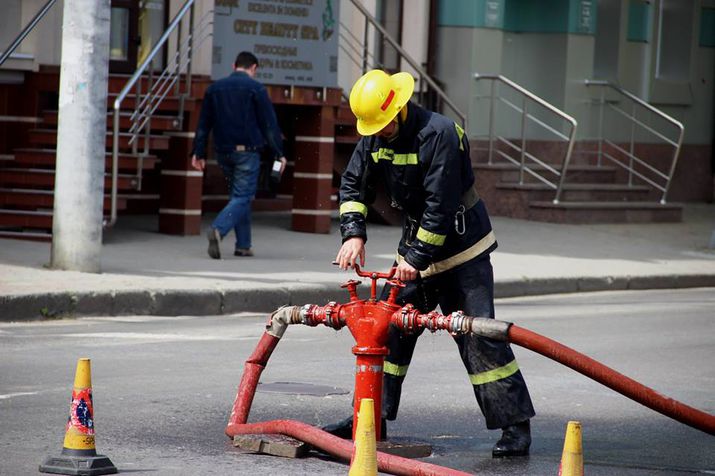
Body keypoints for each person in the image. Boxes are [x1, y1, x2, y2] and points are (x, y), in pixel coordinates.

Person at [330, 69, 536, 457]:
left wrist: (416, 259)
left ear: (400, 107)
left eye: (384, 124)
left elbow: (440, 206)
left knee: (480, 338)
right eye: (373, 127)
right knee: (386, 333)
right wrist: (353, 232)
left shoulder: (440, 134)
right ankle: (371, 416)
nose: (379, 132)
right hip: (415, 249)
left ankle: (515, 427)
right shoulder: (375, 134)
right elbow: (353, 185)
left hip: (462, 252)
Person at [191, 51, 286, 259]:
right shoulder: (256, 89)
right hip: (247, 152)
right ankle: (218, 229)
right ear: (254, 68)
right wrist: (279, 153)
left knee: (238, 196)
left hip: (223, 152)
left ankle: (243, 245)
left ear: (234, 65)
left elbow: (203, 124)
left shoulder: (214, 89)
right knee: (243, 196)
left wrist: (198, 151)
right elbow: (269, 125)